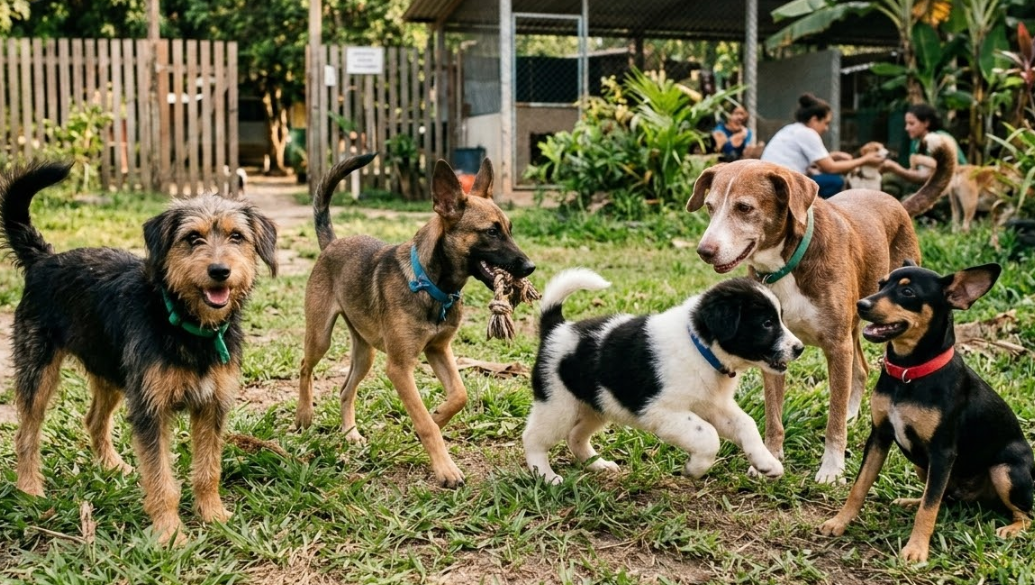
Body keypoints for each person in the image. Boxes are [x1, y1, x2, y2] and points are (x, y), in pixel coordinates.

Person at [761, 93, 886, 198]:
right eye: (826, 123)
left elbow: (799, 160)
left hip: (770, 180)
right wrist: (865, 160)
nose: (826, 129)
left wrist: (832, 156)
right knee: (835, 182)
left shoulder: (791, 129)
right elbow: (831, 168)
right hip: (782, 184)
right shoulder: (807, 133)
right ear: (814, 119)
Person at [880, 103, 967, 197]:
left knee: (908, 199)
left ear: (926, 123)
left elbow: (934, 174)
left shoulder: (938, 139)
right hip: (928, 182)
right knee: (888, 180)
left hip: (952, 185)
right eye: (906, 123)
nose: (907, 128)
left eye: (911, 123)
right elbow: (915, 172)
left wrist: (896, 168)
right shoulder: (916, 142)